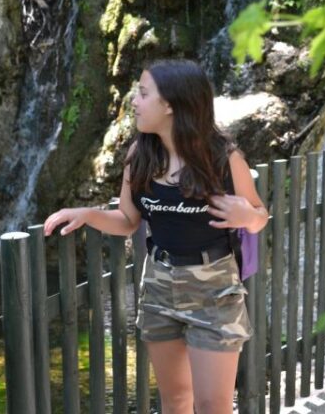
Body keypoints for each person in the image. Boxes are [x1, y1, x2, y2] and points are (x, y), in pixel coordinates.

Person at [44, 59, 268, 414]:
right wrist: (86, 214)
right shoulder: (140, 155)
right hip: (160, 285)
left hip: (214, 291)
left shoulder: (223, 159)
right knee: (175, 401)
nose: (134, 100)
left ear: (171, 105)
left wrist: (247, 215)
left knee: (214, 405)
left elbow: (259, 217)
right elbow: (128, 219)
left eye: (144, 93)